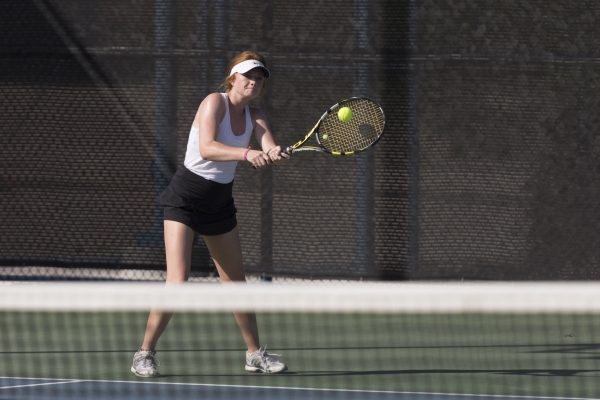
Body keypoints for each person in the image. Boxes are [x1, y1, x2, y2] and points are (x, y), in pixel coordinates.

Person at [131, 51, 289, 377]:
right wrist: (248, 153)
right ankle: (144, 353)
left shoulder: (255, 115)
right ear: (233, 77)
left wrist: (274, 152)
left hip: (219, 204)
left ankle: (254, 354)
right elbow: (207, 147)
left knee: (236, 284)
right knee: (178, 280)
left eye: (259, 79)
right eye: (248, 76)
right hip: (185, 200)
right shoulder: (213, 103)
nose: (254, 83)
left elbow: (268, 145)